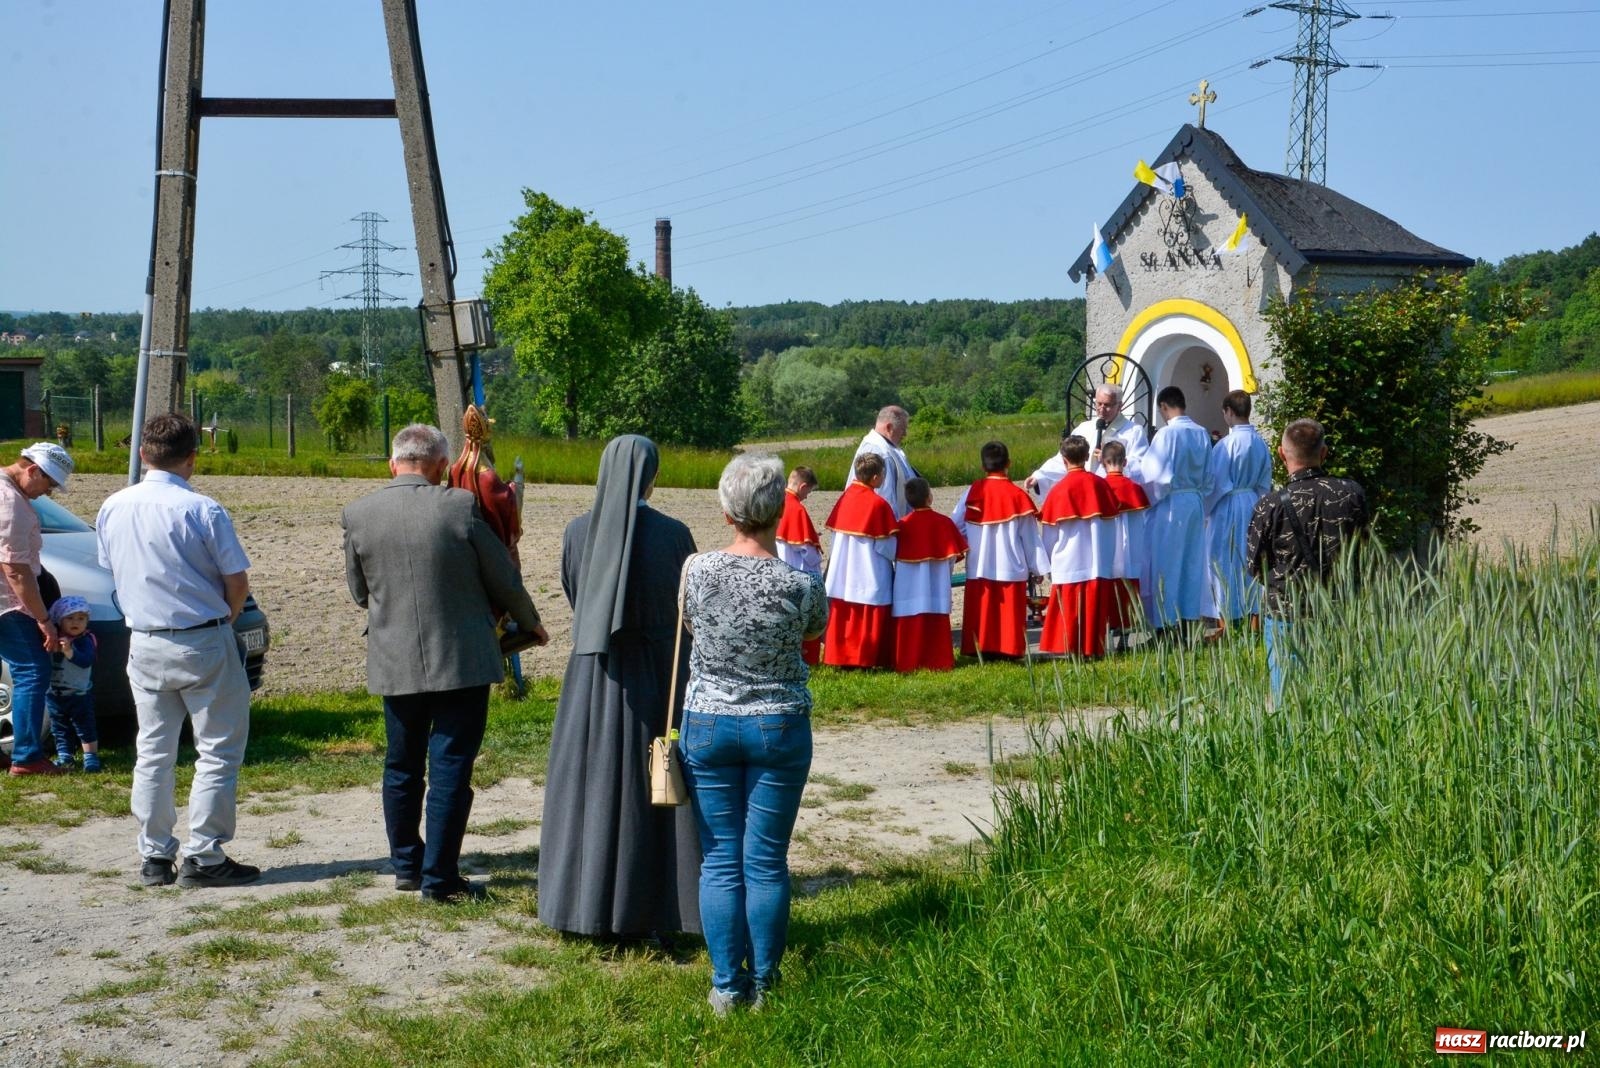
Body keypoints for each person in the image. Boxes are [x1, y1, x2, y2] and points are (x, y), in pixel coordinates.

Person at [343, 424, 549, 903]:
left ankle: (406, 866)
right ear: (440, 466)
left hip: (394, 660)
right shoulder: (459, 506)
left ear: (394, 463)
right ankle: (441, 878)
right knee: (451, 766)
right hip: (463, 660)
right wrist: (530, 623)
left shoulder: (358, 513)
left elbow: (358, 593)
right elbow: (503, 578)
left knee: (401, 765)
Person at [679, 453, 827, 1015]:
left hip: (709, 721)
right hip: (779, 722)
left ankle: (725, 985)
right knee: (765, 860)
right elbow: (815, 630)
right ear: (778, 512)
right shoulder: (800, 581)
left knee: (719, 859)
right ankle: (765, 984)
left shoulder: (696, 570)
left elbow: (689, 624)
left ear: (726, 512)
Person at [539, 435, 702, 938]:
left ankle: (582, 906)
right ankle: (659, 907)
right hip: (658, 673)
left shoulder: (576, 531)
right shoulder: (674, 534)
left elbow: (575, 594)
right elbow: (687, 606)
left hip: (594, 673)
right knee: (658, 785)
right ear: (650, 476)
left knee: (592, 784)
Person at [97, 414, 257, 887]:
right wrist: (225, 620)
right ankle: (205, 855)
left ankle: (154, 856)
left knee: (153, 750)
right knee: (217, 749)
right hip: (201, 634)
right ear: (192, 457)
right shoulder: (202, 509)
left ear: (143, 453)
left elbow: (111, 567)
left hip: (144, 639)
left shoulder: (113, 506)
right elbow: (236, 580)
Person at [1246, 419, 1369, 702]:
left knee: (1289, 698)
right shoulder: (1351, 494)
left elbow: (1254, 564)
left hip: (1285, 614)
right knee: (1340, 696)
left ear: (1281, 454)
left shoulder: (1270, 504)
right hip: (1340, 610)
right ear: (1324, 453)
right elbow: (1364, 548)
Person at [0, 442, 73, 777]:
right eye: (49, 483)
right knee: (32, 670)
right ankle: (27, 756)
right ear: (32, 470)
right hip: (7, 605)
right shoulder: (11, 502)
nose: (49, 492)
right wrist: (44, 619)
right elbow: (15, 569)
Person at [950, 441, 1042, 659]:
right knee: (1008, 614)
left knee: (981, 610)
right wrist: (1037, 568)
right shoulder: (1018, 496)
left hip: (979, 564)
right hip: (1010, 565)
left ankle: (979, 647)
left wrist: (964, 546)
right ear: (1008, 463)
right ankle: (1008, 649)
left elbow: (956, 525)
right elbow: (1030, 538)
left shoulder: (972, 493)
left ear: (983, 466)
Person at [1136, 387, 1212, 638]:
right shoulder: (1201, 433)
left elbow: (1154, 475)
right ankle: (1189, 623)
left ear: (1163, 407)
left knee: (1166, 564)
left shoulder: (1167, 435)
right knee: (1191, 563)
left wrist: (1141, 493)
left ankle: (1164, 627)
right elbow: (1209, 476)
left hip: (1171, 504)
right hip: (1195, 501)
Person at [1038, 436, 1121, 658]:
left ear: (1064, 460)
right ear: (1087, 457)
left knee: (1070, 611)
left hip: (1067, 561)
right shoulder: (1100, 485)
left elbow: (1049, 534)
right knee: (1093, 609)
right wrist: (1108, 556)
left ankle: (1070, 648)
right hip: (1096, 561)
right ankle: (1094, 647)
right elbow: (1111, 525)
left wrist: (1044, 566)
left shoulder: (1058, 491)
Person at [822, 453, 898, 669]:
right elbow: (886, 545)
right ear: (875, 478)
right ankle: (865, 660)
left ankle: (841, 658)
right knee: (870, 611)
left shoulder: (845, 498)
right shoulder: (877, 504)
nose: (883, 478)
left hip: (843, 572)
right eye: (883, 474)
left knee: (844, 614)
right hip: (869, 569)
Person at [1204, 390, 1273, 627]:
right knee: (1249, 559)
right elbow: (1265, 483)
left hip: (1229, 505)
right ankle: (1254, 618)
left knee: (1223, 559)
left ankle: (1226, 619)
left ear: (1229, 412)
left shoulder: (1226, 445)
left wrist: (1205, 511)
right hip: (1253, 504)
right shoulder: (1261, 443)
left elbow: (1216, 482)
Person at [891, 478, 966, 672]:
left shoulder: (902, 526)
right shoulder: (944, 523)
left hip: (907, 589)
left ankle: (907, 663)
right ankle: (939, 661)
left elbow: (891, 553)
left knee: (909, 623)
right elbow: (953, 557)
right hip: (936, 586)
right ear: (930, 497)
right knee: (936, 622)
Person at [1025, 385, 1149, 501]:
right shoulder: (1084, 428)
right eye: (1098, 404)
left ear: (1119, 405)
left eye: (1107, 405)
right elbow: (1064, 458)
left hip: (1115, 497)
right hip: (1085, 496)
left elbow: (1140, 466)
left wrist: (1111, 461)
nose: (1101, 409)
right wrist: (1039, 476)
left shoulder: (1133, 431)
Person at [1100, 440, 1150, 651]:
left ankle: (1108, 637)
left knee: (1109, 592)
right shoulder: (1135, 488)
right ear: (1125, 462)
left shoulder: (1100, 487)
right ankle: (1126, 637)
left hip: (1108, 551)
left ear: (1103, 463)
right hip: (1131, 553)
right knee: (1128, 591)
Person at [47, 596, 101, 772]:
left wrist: (70, 652)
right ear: (59, 620)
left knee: (85, 725)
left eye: (81, 618)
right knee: (59, 727)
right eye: (69, 618)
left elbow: (87, 661)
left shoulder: (86, 640)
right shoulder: (54, 639)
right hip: (55, 694)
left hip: (79, 693)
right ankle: (65, 756)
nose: (75, 622)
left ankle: (91, 757)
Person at [776, 466, 823, 665]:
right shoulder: (796, 508)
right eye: (808, 491)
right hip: (795, 571)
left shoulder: (775, 502)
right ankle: (805, 658)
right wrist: (817, 556)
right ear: (803, 486)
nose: (807, 497)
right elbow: (806, 550)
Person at [847, 405, 915, 519]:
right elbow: (884, 496)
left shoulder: (887, 447)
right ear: (889, 427)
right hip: (879, 525)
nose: (905, 434)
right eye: (903, 429)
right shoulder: (879, 452)